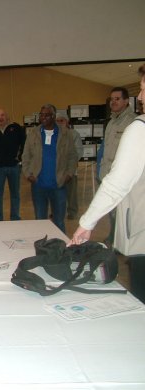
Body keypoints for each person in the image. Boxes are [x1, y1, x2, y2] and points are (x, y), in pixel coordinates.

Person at [71, 65, 145, 303]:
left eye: (144, 90)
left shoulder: (139, 129)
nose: (141, 97)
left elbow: (118, 181)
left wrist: (87, 222)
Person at [21, 104, 77, 233]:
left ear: (53, 116)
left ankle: (60, 248)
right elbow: (26, 156)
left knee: (59, 221)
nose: (43, 117)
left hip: (58, 185)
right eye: (41, 115)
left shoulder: (65, 134)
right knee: (40, 220)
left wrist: (68, 174)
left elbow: (73, 156)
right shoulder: (33, 133)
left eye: (47, 115)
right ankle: (43, 247)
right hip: (38, 185)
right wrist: (28, 174)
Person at [99, 87, 137, 245]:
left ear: (126, 101)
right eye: (111, 99)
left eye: (117, 99)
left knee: (126, 215)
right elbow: (106, 149)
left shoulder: (133, 122)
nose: (113, 102)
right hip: (109, 176)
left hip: (124, 179)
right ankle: (115, 239)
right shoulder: (111, 122)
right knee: (112, 212)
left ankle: (128, 247)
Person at [0, 108, 26, 221]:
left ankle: (15, 216)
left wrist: (20, 157)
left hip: (14, 166)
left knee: (15, 194)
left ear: (6, 116)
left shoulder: (16, 128)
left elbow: (24, 143)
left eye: (2, 115)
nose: (0, 118)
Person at [55, 112, 83, 220]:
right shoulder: (53, 135)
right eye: (57, 121)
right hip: (56, 171)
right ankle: (57, 211)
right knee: (56, 194)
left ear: (67, 122)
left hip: (70, 171)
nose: (59, 123)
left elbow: (78, 151)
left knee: (71, 194)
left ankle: (72, 212)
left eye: (62, 120)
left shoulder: (74, 134)